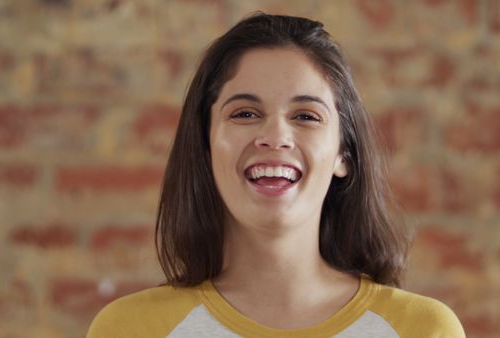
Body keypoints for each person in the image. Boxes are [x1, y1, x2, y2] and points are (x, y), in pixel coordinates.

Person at [87, 13, 465, 338]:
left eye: (305, 116)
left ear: (342, 155)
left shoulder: (423, 330)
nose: (275, 138)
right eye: (245, 114)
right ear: (205, 147)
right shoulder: (129, 329)